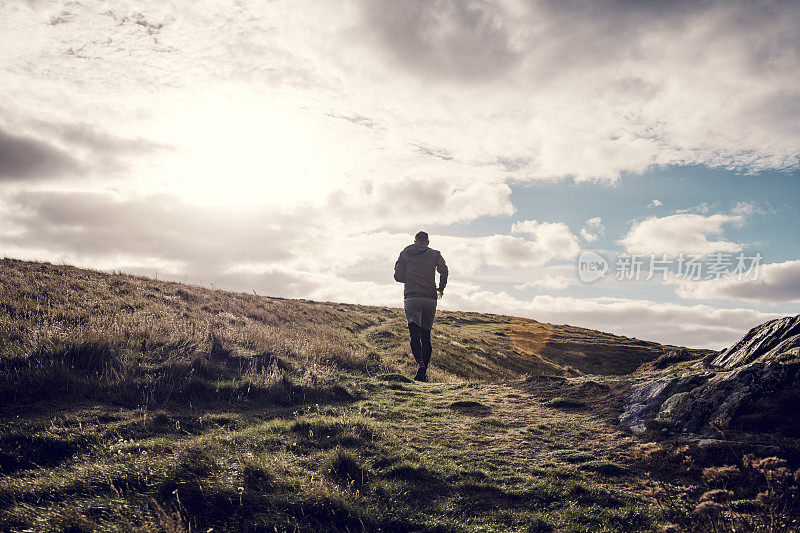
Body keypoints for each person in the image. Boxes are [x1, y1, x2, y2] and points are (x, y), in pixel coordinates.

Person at [393, 231, 448, 381]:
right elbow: (444, 271)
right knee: (426, 336)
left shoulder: (405, 253)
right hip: (430, 298)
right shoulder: (435, 254)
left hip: (412, 297)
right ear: (428, 242)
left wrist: (410, 279)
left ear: (415, 241)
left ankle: (420, 365)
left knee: (414, 334)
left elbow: (397, 276)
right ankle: (423, 374)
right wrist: (440, 288)